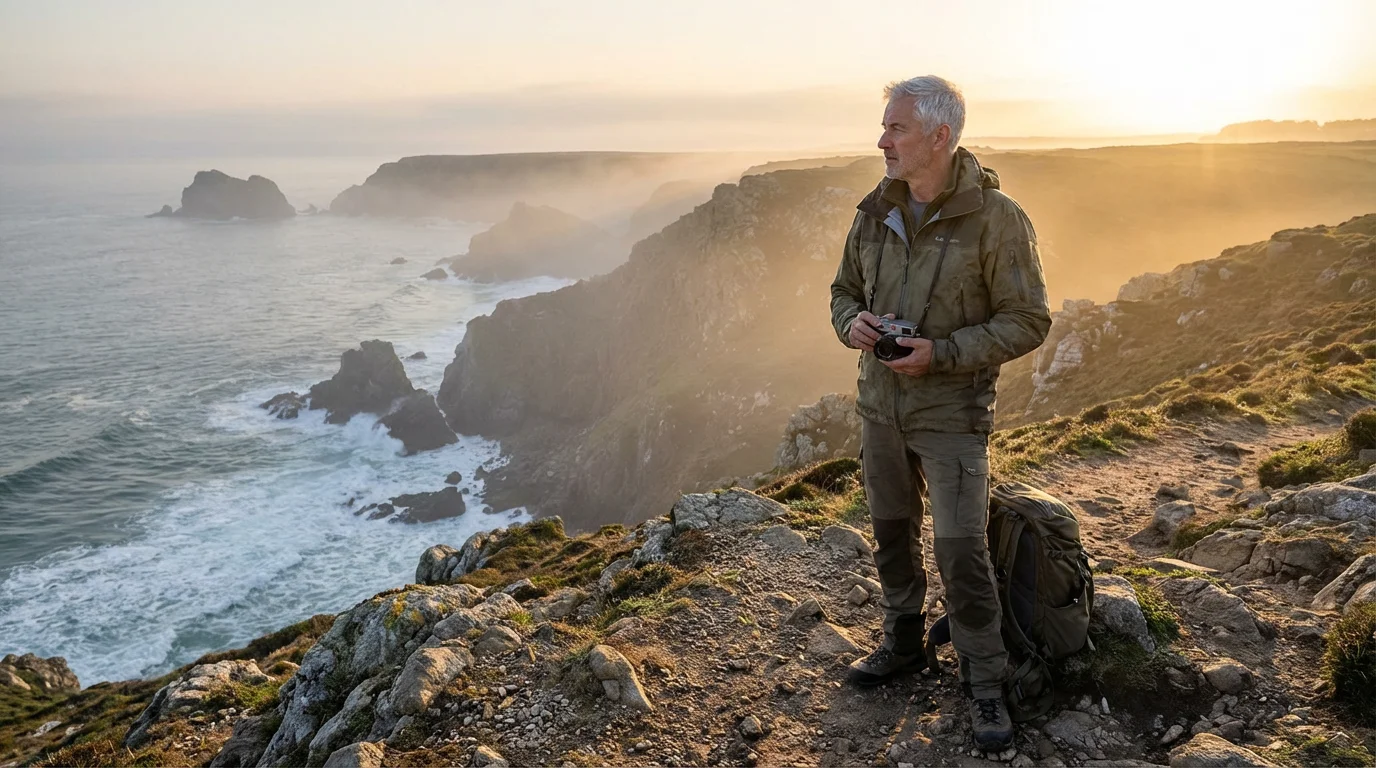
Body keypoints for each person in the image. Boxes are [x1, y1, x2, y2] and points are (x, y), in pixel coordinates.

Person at [828, 75, 1052, 752]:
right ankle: (902, 644)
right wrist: (854, 326)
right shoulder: (874, 211)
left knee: (961, 550)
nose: (882, 140)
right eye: (885, 125)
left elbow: (1029, 320)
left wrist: (943, 353)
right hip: (880, 410)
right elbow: (841, 293)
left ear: (939, 136)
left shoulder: (997, 218)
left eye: (896, 128)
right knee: (892, 536)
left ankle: (987, 680)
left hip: (952, 413)